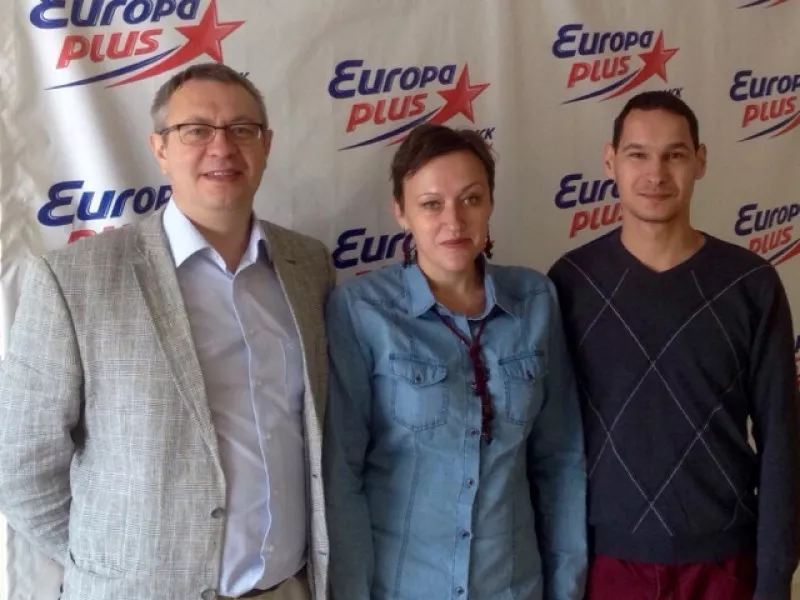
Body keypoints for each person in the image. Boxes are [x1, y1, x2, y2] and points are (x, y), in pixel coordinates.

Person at [0, 63, 333, 600]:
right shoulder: (74, 282)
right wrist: (112, 566)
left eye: (241, 129)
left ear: (266, 145)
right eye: (196, 130)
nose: (222, 147)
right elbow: (19, 465)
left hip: (288, 588)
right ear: (160, 148)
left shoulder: (309, 267)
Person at [548, 90, 800, 600]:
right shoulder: (570, 283)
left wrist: (775, 576)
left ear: (700, 161)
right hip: (605, 565)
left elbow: (782, 439)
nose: (656, 173)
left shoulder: (750, 284)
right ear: (610, 161)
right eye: (638, 154)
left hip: (725, 564)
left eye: (675, 155)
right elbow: (548, 445)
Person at [323, 123, 587, 600]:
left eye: (471, 199)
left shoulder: (535, 300)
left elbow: (561, 460)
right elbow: (343, 473)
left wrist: (566, 587)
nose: (454, 221)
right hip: (403, 587)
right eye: (431, 204)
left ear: (490, 203)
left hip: (513, 587)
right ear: (401, 212)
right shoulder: (361, 310)